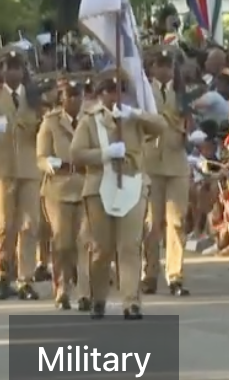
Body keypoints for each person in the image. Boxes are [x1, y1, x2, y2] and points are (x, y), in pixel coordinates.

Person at [69, 68, 167, 320]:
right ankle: (98, 297)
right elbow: (76, 153)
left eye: (121, 90)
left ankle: (131, 301)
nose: (116, 95)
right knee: (102, 248)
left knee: (130, 245)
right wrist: (104, 153)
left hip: (132, 184)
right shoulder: (90, 120)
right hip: (100, 186)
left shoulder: (133, 118)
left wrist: (135, 113)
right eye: (110, 90)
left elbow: (161, 126)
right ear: (101, 94)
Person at [0, 49, 43, 300]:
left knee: (30, 224)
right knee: (4, 225)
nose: (13, 72)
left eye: (17, 67)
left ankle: (25, 279)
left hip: (28, 166)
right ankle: (4, 274)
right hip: (3, 167)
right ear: (2, 71)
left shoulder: (34, 95)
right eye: (9, 67)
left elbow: (42, 121)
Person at [36, 75, 91, 311]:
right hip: (58, 187)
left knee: (84, 242)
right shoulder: (50, 122)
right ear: (62, 100)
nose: (75, 100)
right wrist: (50, 163)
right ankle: (62, 288)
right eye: (70, 96)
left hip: (86, 185)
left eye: (79, 95)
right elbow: (40, 156)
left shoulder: (90, 121)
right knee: (62, 242)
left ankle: (84, 292)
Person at [142, 47, 193, 296]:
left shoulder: (181, 92)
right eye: (158, 64)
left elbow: (189, 123)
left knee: (178, 221)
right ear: (151, 68)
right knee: (151, 223)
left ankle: (175, 275)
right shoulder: (142, 92)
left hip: (176, 161)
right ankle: (149, 272)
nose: (163, 69)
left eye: (167, 64)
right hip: (149, 162)